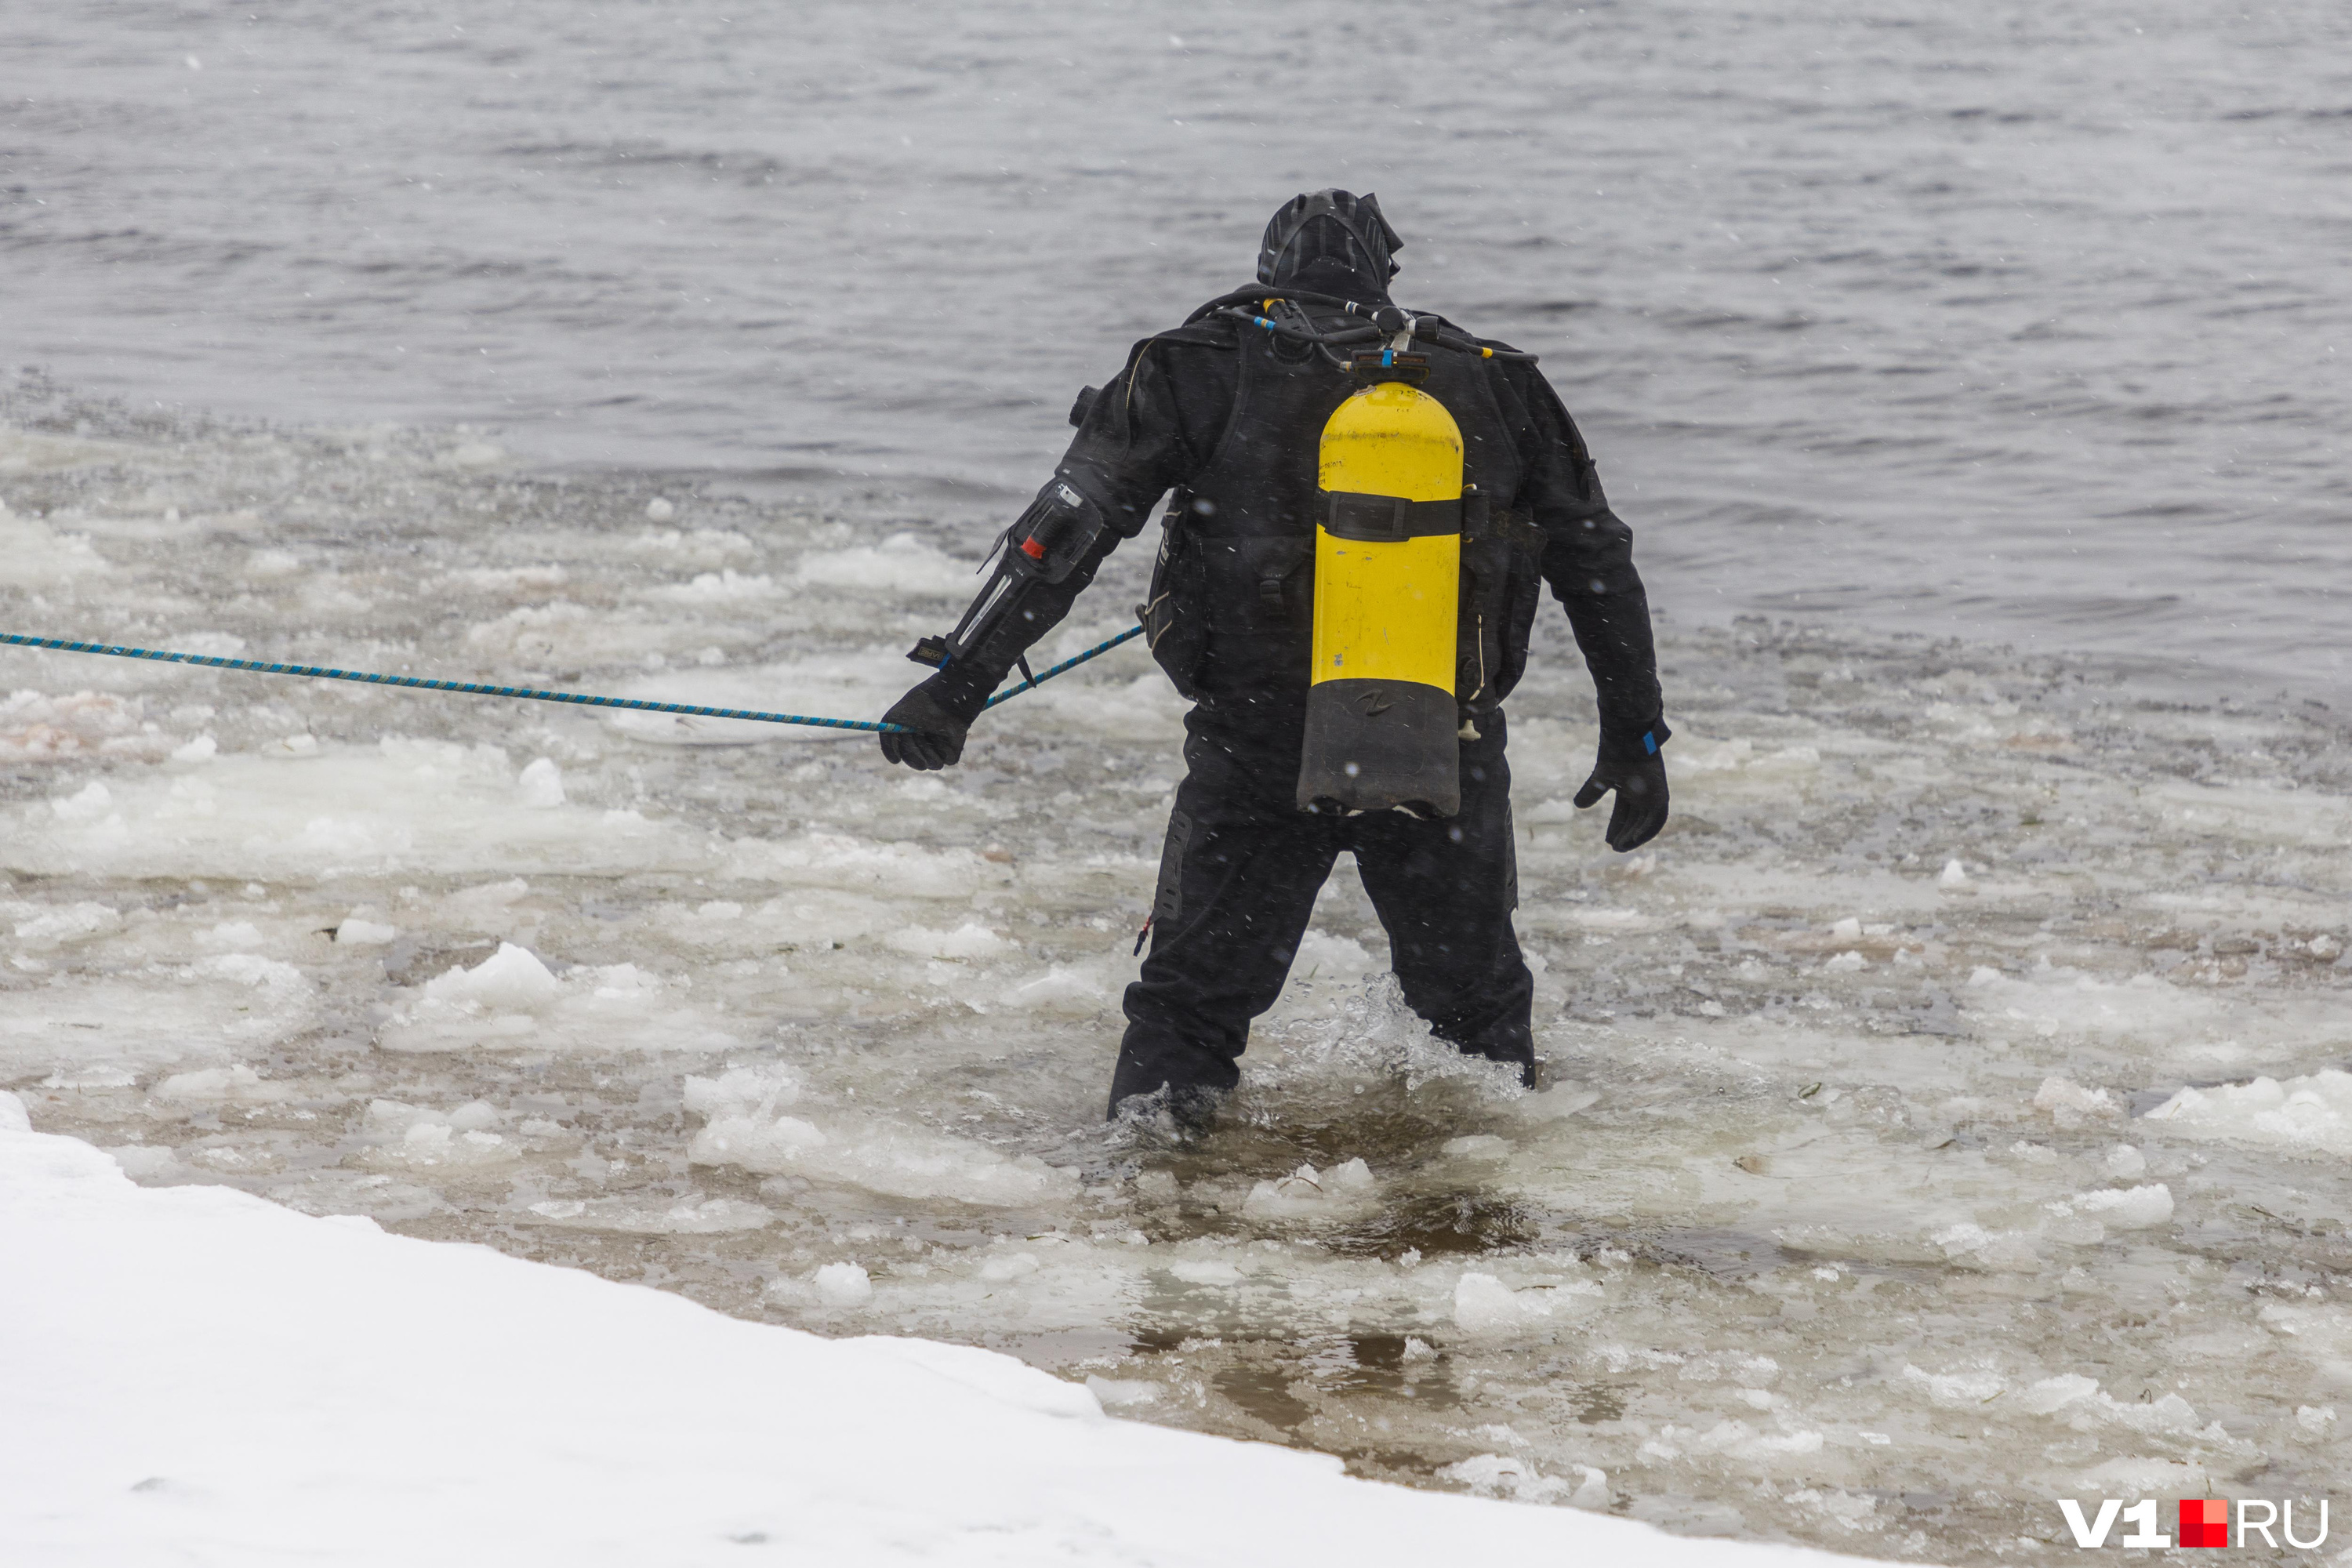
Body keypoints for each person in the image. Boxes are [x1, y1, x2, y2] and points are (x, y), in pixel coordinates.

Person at [879, 189, 1669, 1129]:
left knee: (1188, 1012)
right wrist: (1637, 735)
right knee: (1475, 1015)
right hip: (1439, 741)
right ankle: (1480, 1213)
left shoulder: (1196, 364)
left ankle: (1154, 1208)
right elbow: (1598, 562)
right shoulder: (1493, 378)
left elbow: (1064, 534)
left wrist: (958, 684)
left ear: (1267, 268)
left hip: (1258, 746)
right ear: (1387, 274)